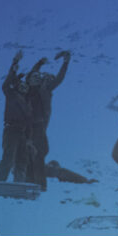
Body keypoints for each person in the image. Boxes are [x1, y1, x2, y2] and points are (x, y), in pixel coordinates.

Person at [24, 50, 71, 190]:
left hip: (39, 125)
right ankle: (30, 181)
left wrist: (65, 62)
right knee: (29, 153)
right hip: (27, 125)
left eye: (43, 77)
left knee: (40, 152)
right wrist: (39, 64)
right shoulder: (27, 89)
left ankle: (39, 185)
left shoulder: (45, 89)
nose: (40, 77)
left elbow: (59, 78)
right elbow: (31, 75)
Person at [0, 51, 32, 185]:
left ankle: (19, 184)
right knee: (8, 158)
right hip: (11, 130)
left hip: (22, 133)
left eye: (26, 87)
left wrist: (28, 138)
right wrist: (14, 65)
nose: (24, 88)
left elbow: (29, 122)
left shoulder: (27, 104)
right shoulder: (12, 95)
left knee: (22, 159)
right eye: (22, 85)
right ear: (18, 86)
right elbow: (6, 85)